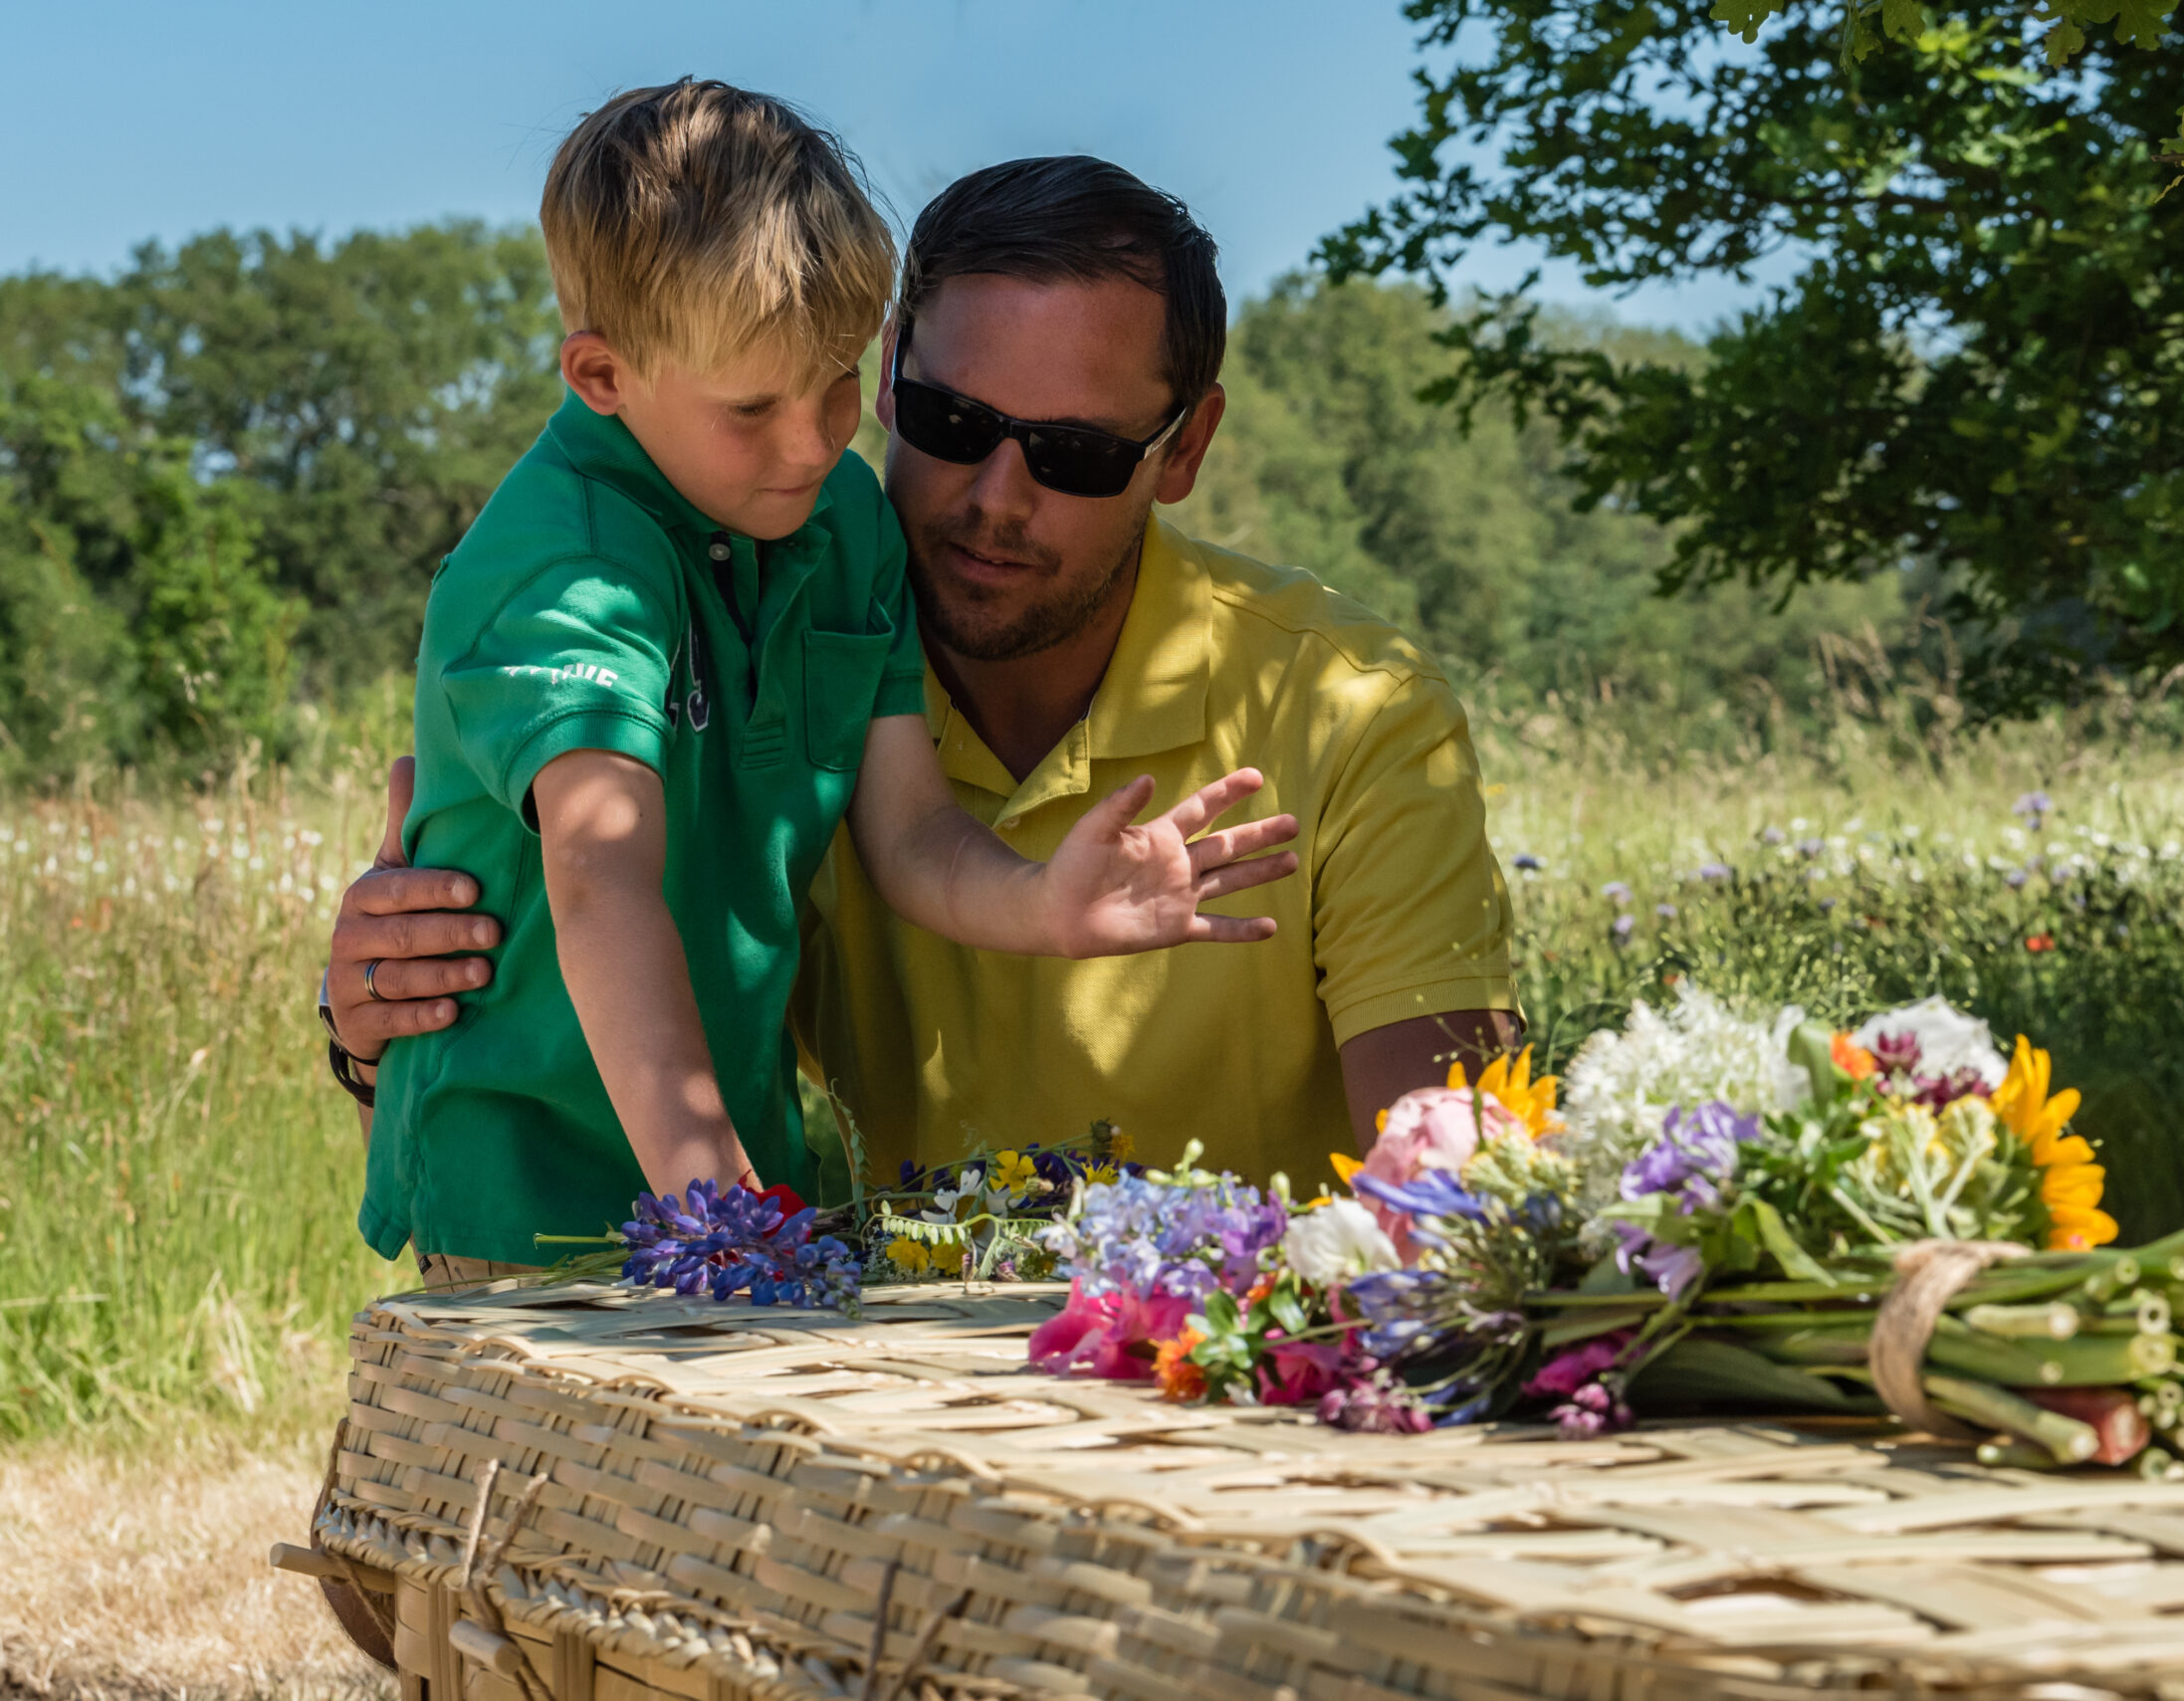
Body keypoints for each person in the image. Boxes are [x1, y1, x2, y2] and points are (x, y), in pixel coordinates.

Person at [326, 152, 1517, 1201]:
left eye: (1075, 453)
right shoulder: (745, 601)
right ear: (893, 371)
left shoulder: (1351, 709)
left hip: (1210, 1369)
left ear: (1185, 449)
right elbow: (592, 918)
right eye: (948, 419)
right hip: (840, 1320)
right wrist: (385, 1009)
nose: (995, 497)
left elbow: (1445, 1170)